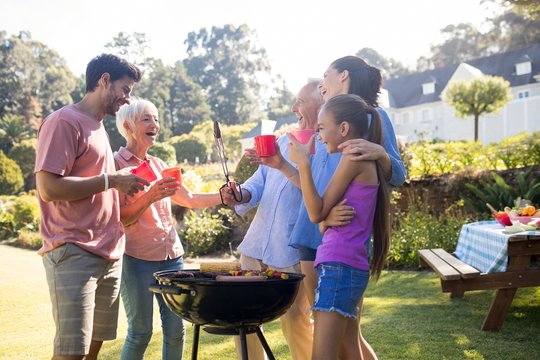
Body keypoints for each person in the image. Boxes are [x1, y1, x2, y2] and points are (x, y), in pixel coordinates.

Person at [261, 55, 406, 360]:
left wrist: (380, 153)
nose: (322, 82)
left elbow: (398, 176)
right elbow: (315, 187)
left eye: (325, 75)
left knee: (341, 338)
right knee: (339, 337)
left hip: (344, 242)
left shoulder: (369, 118)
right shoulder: (324, 129)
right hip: (315, 233)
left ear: (343, 76)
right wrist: (283, 167)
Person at [35, 54, 146, 360]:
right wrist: (111, 180)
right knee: (72, 353)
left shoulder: (98, 128)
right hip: (73, 251)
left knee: (92, 351)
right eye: (124, 89)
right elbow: (49, 188)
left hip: (107, 254)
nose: (127, 98)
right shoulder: (63, 121)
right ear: (104, 80)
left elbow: (98, 187)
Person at [114, 98, 225, 360]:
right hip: (137, 258)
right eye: (147, 119)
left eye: (156, 119)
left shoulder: (159, 165)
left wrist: (223, 196)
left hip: (172, 258)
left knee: (176, 331)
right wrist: (150, 196)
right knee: (140, 332)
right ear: (129, 125)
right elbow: (121, 218)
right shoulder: (116, 166)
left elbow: (188, 199)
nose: (155, 125)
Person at [221, 80, 323, 360]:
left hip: (292, 248)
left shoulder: (327, 147)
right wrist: (239, 194)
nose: (294, 108)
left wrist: (284, 165)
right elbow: (259, 182)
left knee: (295, 322)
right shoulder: (282, 141)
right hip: (255, 246)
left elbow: (321, 195)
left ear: (322, 103)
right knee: (245, 318)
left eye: (301, 102)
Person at [288, 93, 390, 360]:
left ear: (343, 128)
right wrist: (325, 222)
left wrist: (303, 163)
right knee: (349, 348)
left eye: (322, 128)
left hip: (340, 266)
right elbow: (324, 215)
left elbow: (316, 211)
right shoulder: (357, 157)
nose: (319, 136)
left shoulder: (353, 158)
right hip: (345, 265)